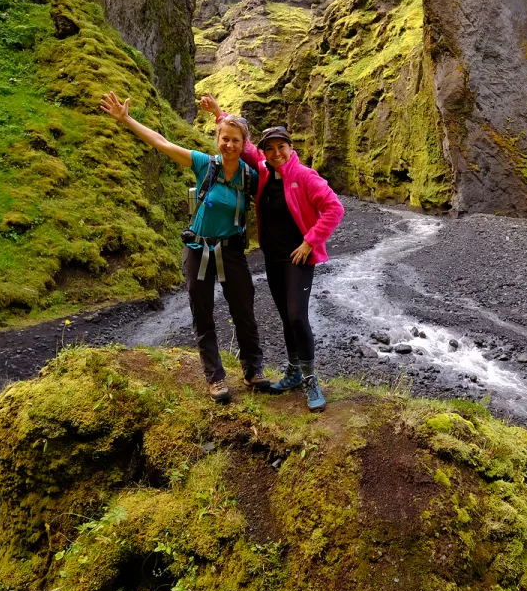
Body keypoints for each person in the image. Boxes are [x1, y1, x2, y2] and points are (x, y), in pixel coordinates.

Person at [99, 90, 268, 404]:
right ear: (217, 139)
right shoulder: (206, 165)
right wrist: (126, 120)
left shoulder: (251, 176)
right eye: (224, 138)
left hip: (231, 250)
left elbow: (278, 194)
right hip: (198, 249)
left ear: (244, 145)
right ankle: (215, 378)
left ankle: (253, 371)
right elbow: (161, 142)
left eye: (235, 140)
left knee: (243, 311)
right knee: (202, 314)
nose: (229, 145)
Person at [200, 94, 344, 412]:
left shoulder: (305, 176)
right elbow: (241, 144)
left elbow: (334, 207)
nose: (276, 152)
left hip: (300, 257)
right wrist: (218, 112)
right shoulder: (264, 173)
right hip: (273, 257)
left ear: (291, 148)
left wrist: (310, 241)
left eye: (282, 146)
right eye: (271, 148)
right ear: (265, 152)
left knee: (297, 316)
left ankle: (310, 378)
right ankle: (293, 371)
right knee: (285, 317)